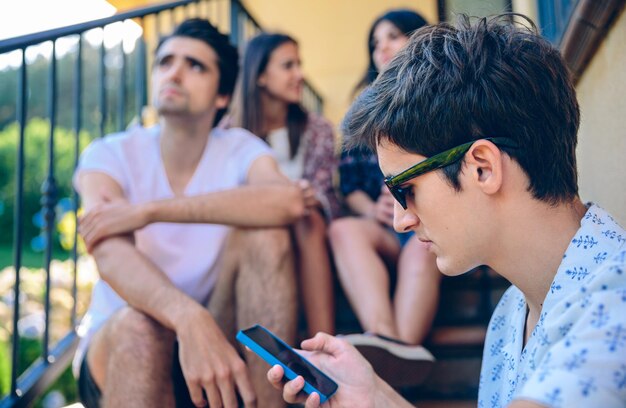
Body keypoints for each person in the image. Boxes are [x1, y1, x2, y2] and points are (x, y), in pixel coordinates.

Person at [267, 13, 626, 408]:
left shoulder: (614, 308)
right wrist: (373, 397)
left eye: (406, 190)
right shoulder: (512, 312)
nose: (400, 220)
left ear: (482, 168)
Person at [72, 18, 308, 408]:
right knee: (141, 328)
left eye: (195, 65)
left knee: (268, 234)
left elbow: (288, 202)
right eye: (165, 62)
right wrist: (186, 316)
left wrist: (149, 211)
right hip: (124, 347)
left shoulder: (238, 147)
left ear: (221, 97)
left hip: (222, 331)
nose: (175, 72)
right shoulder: (110, 152)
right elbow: (109, 251)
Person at [328, 8, 440, 386]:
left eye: (392, 36)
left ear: (418, 37)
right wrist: (371, 207)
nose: (382, 48)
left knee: (422, 248)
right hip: (383, 226)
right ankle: (382, 338)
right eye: (376, 43)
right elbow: (349, 183)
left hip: (429, 221)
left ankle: (399, 354)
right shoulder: (364, 108)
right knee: (343, 230)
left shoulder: (444, 97)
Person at [226, 32, 340, 336]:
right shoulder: (228, 132)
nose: (299, 75)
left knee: (307, 216)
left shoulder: (318, 130)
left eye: (298, 65)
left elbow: (325, 191)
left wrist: (304, 197)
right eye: (288, 66)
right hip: (253, 228)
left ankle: (322, 342)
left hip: (306, 227)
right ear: (261, 75)